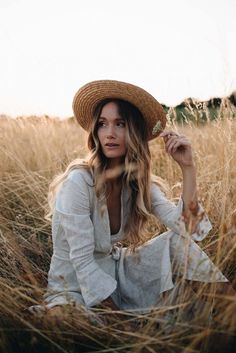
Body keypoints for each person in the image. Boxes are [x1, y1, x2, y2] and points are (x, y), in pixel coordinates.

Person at [29, 80, 232, 321]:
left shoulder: (138, 183)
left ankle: (231, 317)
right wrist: (122, 324)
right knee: (67, 320)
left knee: (179, 244)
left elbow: (190, 229)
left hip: (117, 274)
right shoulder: (78, 182)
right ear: (95, 131)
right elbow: (82, 263)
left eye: (120, 124)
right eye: (102, 124)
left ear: (134, 131)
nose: (110, 133)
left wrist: (188, 167)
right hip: (73, 287)